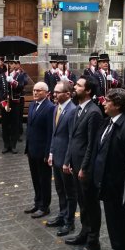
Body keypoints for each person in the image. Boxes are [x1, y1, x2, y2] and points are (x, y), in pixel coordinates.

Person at [91, 88, 125, 250]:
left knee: (122, 223)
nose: (103, 102)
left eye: (107, 100)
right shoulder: (107, 122)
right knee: (112, 222)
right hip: (106, 184)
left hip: (118, 186)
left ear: (116, 105)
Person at [63, 76, 104, 250]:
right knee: (82, 202)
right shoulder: (78, 109)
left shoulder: (94, 112)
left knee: (91, 204)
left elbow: (91, 144)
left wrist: (84, 168)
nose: (75, 87)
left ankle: (93, 241)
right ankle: (84, 233)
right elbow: (73, 139)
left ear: (88, 91)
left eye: (79, 85)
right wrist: (67, 160)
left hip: (85, 168)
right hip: (75, 163)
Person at [47, 80, 78, 237]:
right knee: (59, 189)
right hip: (56, 156)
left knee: (69, 191)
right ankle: (62, 214)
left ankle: (69, 221)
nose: (54, 94)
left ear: (68, 94)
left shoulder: (73, 111)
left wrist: (67, 161)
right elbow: (54, 133)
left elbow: (72, 138)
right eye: (54, 91)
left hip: (66, 158)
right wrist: (51, 152)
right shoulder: (56, 108)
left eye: (58, 92)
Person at [24, 82, 54, 219]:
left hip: (42, 151)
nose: (35, 93)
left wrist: (48, 152)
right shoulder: (32, 105)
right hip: (32, 149)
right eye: (34, 90)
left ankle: (44, 206)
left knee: (44, 179)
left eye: (38, 90)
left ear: (46, 93)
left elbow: (50, 132)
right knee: (35, 178)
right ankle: (37, 202)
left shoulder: (50, 108)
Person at [0, 54, 28, 153]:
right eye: (7, 63)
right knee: (5, 125)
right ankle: (6, 144)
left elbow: (21, 87)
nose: (9, 65)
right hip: (5, 104)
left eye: (11, 63)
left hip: (15, 104)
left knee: (14, 124)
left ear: (15, 65)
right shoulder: (2, 76)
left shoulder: (20, 75)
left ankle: (13, 144)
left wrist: (13, 82)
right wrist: (4, 103)